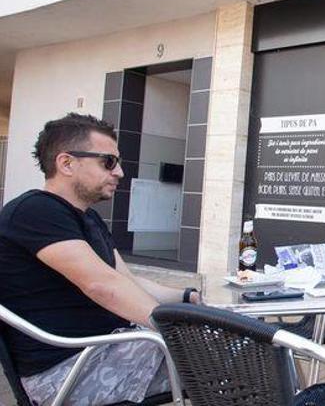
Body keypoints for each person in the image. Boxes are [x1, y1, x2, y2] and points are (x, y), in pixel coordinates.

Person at [0, 113, 201, 406]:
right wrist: (171, 325)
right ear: (66, 163)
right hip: (68, 370)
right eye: (108, 161)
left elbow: (125, 281)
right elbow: (102, 285)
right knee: (225, 355)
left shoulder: (88, 218)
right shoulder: (34, 211)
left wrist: (187, 298)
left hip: (107, 349)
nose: (119, 171)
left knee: (228, 346)